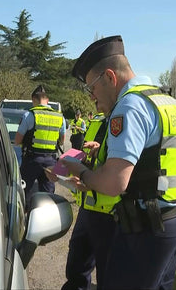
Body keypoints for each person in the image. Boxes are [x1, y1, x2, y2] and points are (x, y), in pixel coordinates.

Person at [60, 35, 176, 289]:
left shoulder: (130, 106)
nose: (92, 97)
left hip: (146, 228)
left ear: (110, 77)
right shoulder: (169, 103)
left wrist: (83, 172)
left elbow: (115, 182)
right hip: (175, 221)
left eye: (92, 88)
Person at [54, 111, 118, 290]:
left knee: (108, 276)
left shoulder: (127, 118)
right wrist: (61, 172)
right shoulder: (97, 120)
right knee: (76, 268)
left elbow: (120, 170)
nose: (92, 95)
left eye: (94, 88)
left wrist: (89, 181)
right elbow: (84, 156)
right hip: (87, 207)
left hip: (112, 214)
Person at [15, 85, 66, 207]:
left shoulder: (30, 115)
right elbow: (62, 141)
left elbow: (17, 140)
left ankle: (24, 216)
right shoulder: (60, 117)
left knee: (24, 191)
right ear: (47, 100)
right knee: (48, 194)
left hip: (32, 160)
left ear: (34, 99)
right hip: (51, 160)